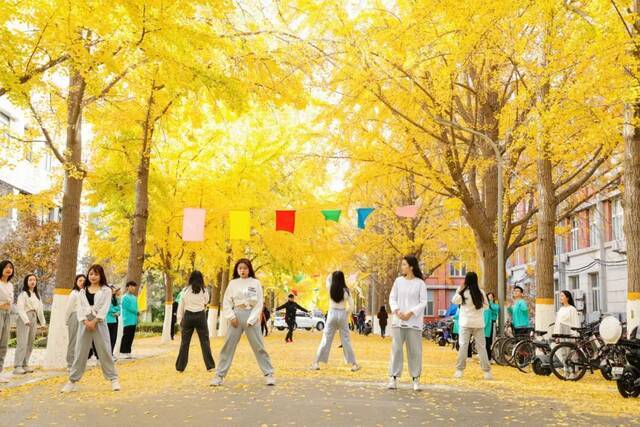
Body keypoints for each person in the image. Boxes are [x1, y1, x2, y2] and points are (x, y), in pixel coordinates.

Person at [212, 258, 275, 386]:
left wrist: (252, 319)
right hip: (236, 315)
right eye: (240, 268)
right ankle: (219, 375)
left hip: (251, 316)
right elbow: (226, 302)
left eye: (245, 268)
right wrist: (231, 317)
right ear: (237, 270)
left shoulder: (255, 282)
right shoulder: (233, 283)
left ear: (249, 269)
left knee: (259, 346)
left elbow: (259, 302)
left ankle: (269, 374)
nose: (242, 270)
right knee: (228, 347)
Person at [62, 264, 119, 392]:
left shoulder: (106, 290)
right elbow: (80, 308)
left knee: (104, 350)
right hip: (85, 323)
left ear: (101, 276)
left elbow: (105, 307)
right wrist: (85, 321)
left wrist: (95, 321)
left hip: (99, 322)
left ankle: (113, 379)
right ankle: (72, 381)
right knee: (80, 351)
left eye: (96, 274)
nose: (93, 276)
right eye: (91, 274)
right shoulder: (82, 290)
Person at [387, 255, 428, 391]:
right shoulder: (398, 281)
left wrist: (410, 313)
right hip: (398, 322)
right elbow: (392, 298)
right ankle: (393, 377)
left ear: (411, 267)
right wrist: (397, 311)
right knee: (396, 350)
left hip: (414, 323)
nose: (402, 267)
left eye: (404, 264)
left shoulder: (420, 284)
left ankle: (416, 379)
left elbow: (423, 302)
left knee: (415, 352)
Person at [311, 271, 360, 371]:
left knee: (326, 339)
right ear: (343, 279)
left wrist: (331, 273)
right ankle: (354, 364)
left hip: (332, 314)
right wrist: (346, 314)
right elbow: (351, 306)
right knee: (346, 340)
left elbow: (327, 280)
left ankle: (316, 363)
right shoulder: (346, 291)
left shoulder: (330, 288)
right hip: (342, 313)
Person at [452, 272, 492, 380]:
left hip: (465, 323)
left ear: (466, 280)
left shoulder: (463, 293)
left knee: (463, 346)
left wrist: (459, 289)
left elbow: (454, 301)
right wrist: (478, 310)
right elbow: (487, 307)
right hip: (478, 324)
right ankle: (487, 372)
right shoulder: (481, 292)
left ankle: (459, 370)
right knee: (482, 347)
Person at [175, 271, 215, 373]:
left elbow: (181, 305)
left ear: (190, 279)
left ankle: (180, 367)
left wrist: (180, 320)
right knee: (205, 342)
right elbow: (206, 301)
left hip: (188, 316)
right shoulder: (204, 290)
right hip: (200, 316)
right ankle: (210, 366)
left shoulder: (185, 290)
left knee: (185, 343)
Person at [13, 274, 47, 374]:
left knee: (30, 342)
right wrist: (25, 320)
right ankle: (17, 366)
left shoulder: (37, 295)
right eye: (30, 280)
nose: (32, 282)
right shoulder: (23, 294)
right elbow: (20, 308)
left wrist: (43, 322)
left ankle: (25, 364)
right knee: (22, 342)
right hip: (24, 318)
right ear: (26, 282)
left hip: (33, 317)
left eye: (34, 280)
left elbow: (40, 310)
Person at [66, 274, 86, 370]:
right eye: (80, 280)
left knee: (81, 341)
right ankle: (70, 363)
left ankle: (77, 363)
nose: (82, 282)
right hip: (74, 317)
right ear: (76, 282)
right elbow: (68, 309)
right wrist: (67, 320)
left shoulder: (84, 293)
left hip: (83, 318)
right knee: (73, 340)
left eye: (84, 281)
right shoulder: (74, 293)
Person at [0, 260, 15, 383]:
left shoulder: (10, 285)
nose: (8, 269)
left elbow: (11, 301)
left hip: (7, 315)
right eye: (6, 267)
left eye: (10, 267)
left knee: (4, 344)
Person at [119, 281, 139, 359]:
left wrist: (137, 314)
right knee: (126, 336)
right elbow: (127, 307)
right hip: (127, 319)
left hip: (134, 319)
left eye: (134, 286)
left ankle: (128, 352)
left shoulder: (134, 297)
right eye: (131, 286)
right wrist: (136, 312)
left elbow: (136, 307)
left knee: (131, 336)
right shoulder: (124, 297)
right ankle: (122, 352)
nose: (133, 288)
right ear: (127, 287)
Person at [106, 286, 121, 355]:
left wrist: (118, 312)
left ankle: (111, 353)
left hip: (115, 320)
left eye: (113, 290)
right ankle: (108, 354)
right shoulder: (106, 299)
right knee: (108, 338)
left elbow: (119, 308)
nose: (113, 291)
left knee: (114, 338)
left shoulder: (116, 299)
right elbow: (108, 308)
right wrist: (115, 311)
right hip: (108, 321)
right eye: (112, 290)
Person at [485, 292, 499, 361]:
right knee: (487, 341)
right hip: (486, 325)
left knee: (491, 341)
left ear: (493, 298)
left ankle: (491, 357)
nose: (490, 298)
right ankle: (487, 357)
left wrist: (489, 302)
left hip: (492, 324)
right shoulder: (486, 306)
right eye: (488, 297)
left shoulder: (495, 305)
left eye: (491, 297)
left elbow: (496, 309)